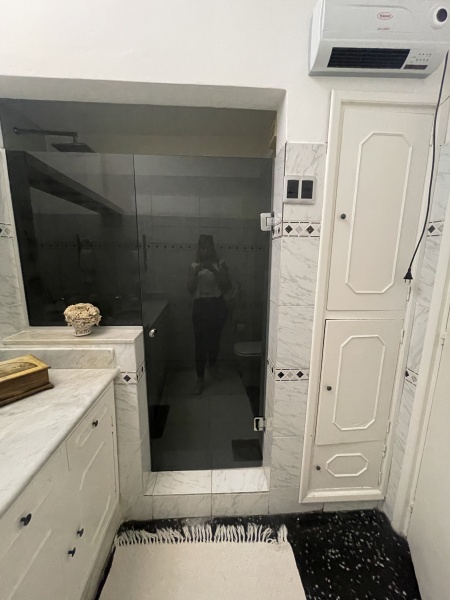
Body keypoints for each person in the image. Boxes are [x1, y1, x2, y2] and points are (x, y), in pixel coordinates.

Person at [187, 234, 231, 395]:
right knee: (200, 343)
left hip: (217, 305)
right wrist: (195, 273)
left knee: (215, 340)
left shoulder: (220, 264)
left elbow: (226, 286)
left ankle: (212, 366)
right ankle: (200, 378)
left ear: (213, 248)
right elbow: (190, 289)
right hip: (200, 306)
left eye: (208, 247)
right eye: (202, 247)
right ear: (199, 249)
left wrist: (213, 269)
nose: (205, 251)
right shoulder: (194, 266)